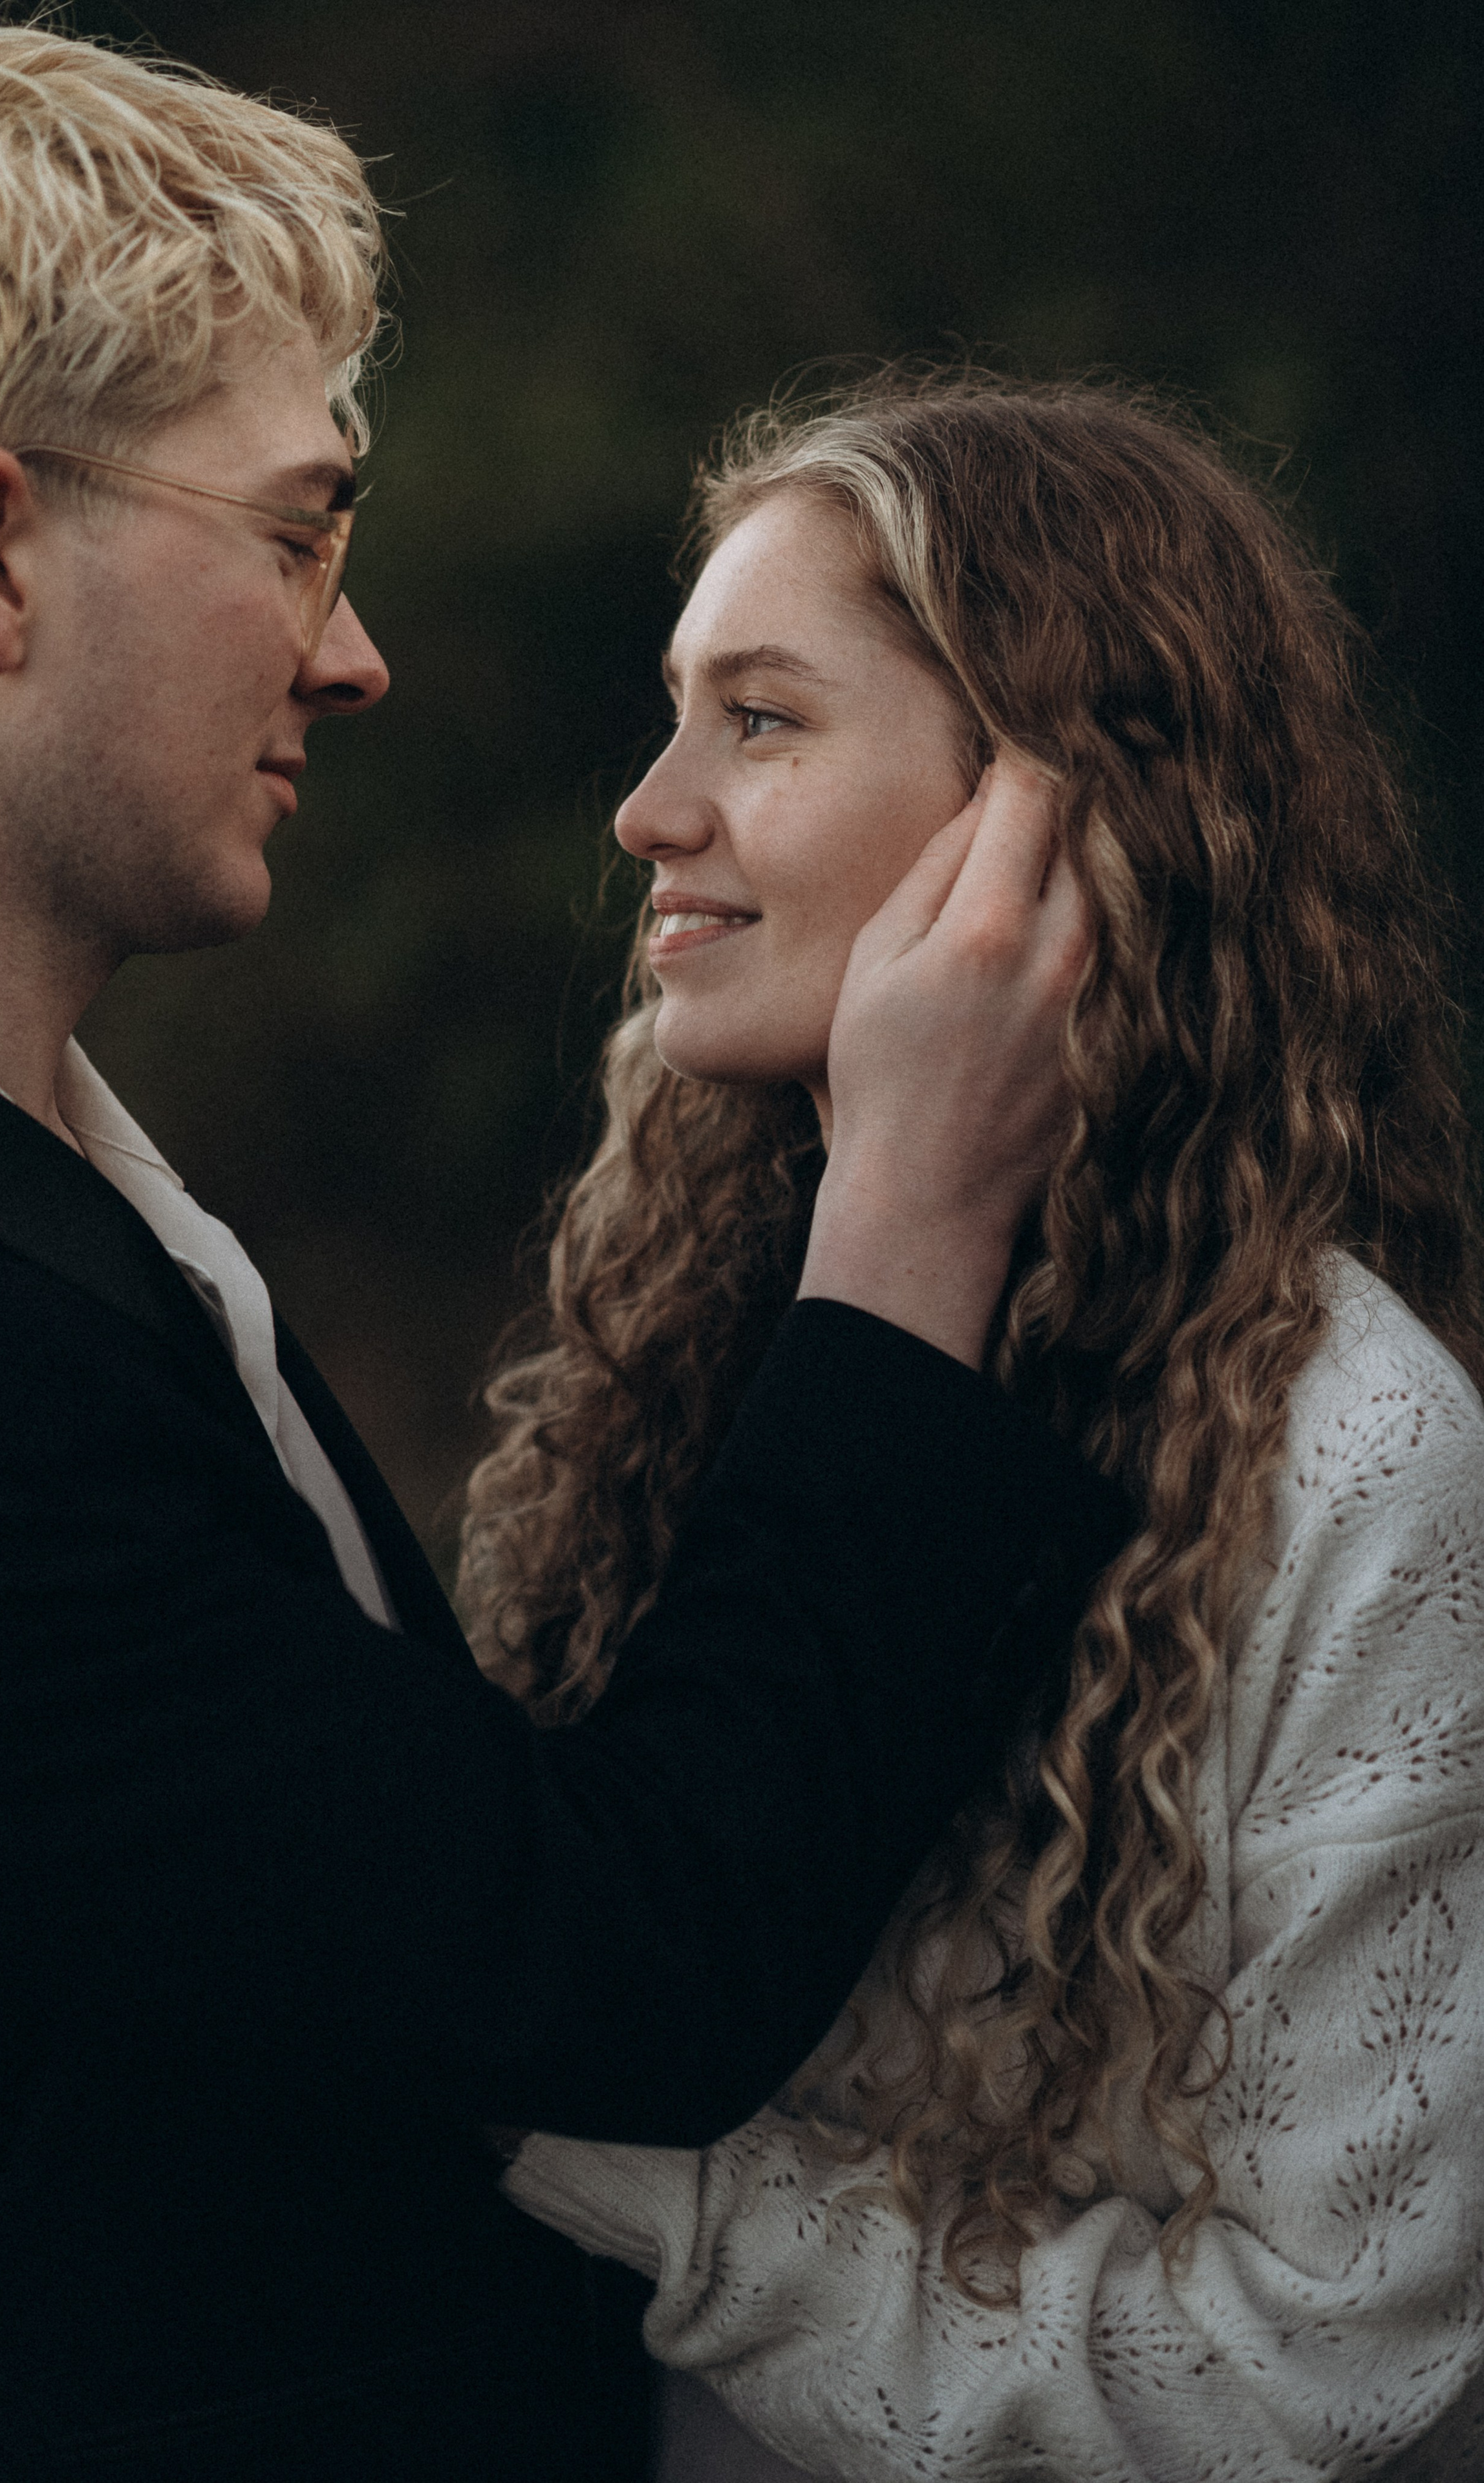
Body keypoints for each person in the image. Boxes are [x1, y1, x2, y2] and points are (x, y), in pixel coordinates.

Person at [0, 26, 1134, 2482]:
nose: (353, 647)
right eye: (299, 527)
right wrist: (907, 1246)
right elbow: (597, 1968)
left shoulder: (20, 1185)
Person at [480, 374, 1484, 2480]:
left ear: (1052, 811)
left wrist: (640, 2178)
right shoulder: (689, 1351)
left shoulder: (1358, 1468)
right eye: (678, 711)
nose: (650, 809)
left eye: (758, 720)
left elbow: (1331, 2369)